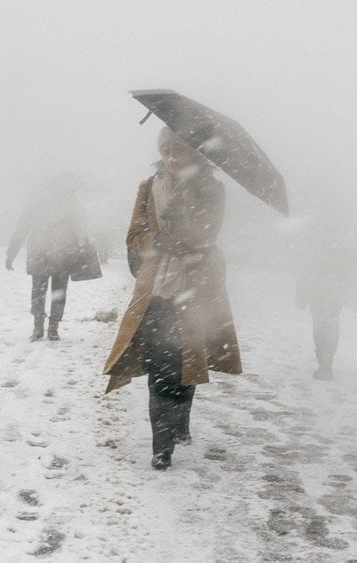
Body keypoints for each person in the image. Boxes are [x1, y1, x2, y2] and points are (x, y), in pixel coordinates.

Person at [102, 127, 242, 470]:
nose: (171, 157)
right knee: (162, 366)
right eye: (166, 151)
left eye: (178, 150)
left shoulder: (212, 188)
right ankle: (161, 446)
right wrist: (157, 239)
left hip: (197, 289)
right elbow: (134, 237)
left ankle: (181, 422)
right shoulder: (148, 187)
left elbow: (210, 233)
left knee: (187, 363)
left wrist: (186, 227)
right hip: (156, 290)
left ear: (194, 152)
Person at [291, 192, 357, 380]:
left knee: (324, 321)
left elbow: (305, 251)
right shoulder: (343, 221)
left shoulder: (319, 221)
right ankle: (325, 361)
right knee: (327, 320)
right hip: (330, 279)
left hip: (327, 279)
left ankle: (325, 363)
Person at [6, 180, 87, 341]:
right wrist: (83, 245)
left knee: (38, 291)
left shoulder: (35, 198)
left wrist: (11, 253)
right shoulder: (69, 198)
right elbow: (81, 224)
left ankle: (38, 327)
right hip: (63, 251)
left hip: (40, 252)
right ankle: (53, 328)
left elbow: (22, 227)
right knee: (59, 291)